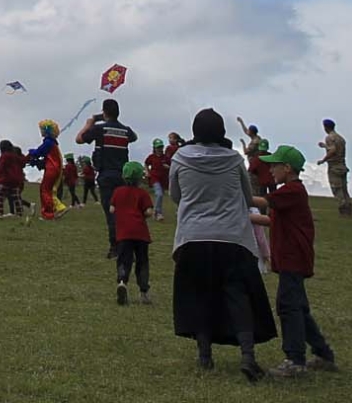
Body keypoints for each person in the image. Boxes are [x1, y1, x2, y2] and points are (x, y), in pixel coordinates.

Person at [165, 108, 275, 379]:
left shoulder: (180, 157)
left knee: (198, 294)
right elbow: (246, 195)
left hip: (193, 237)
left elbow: (175, 195)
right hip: (233, 237)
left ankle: (205, 356)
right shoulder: (234, 159)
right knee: (238, 295)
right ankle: (247, 355)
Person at [260, 145, 338, 376]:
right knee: (300, 309)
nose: (270, 170)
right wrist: (242, 217)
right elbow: (271, 221)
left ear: (287, 168)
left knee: (288, 307)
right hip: (289, 260)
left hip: (293, 259)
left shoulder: (292, 191)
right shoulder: (289, 194)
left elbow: (263, 202)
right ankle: (323, 354)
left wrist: (236, 195)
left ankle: (295, 360)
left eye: (274, 166)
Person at [80, 98, 138, 252]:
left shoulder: (99, 129)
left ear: (104, 112)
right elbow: (134, 137)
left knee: (110, 211)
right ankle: (127, 242)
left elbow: (79, 139)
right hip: (122, 176)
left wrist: (90, 122)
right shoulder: (126, 130)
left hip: (106, 175)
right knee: (123, 210)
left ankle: (115, 245)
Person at [111, 160, 155, 306]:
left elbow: (112, 209)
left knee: (124, 259)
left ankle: (122, 281)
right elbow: (148, 211)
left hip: (123, 233)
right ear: (139, 178)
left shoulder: (118, 192)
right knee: (142, 262)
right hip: (141, 233)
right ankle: (144, 292)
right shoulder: (143, 193)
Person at [27, 121, 65, 219]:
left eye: (42, 129)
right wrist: (36, 163)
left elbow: (38, 152)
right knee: (48, 189)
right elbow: (46, 159)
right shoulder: (52, 143)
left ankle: (48, 214)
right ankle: (58, 207)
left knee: (45, 190)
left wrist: (31, 152)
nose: (41, 131)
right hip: (54, 168)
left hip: (52, 169)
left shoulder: (48, 143)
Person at [318, 120, 352, 216]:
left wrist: (323, 160)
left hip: (334, 166)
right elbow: (335, 149)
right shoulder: (341, 138)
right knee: (344, 189)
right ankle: (349, 208)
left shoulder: (329, 138)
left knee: (337, 189)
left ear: (326, 127)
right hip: (342, 165)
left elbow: (333, 150)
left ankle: (344, 210)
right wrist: (325, 146)